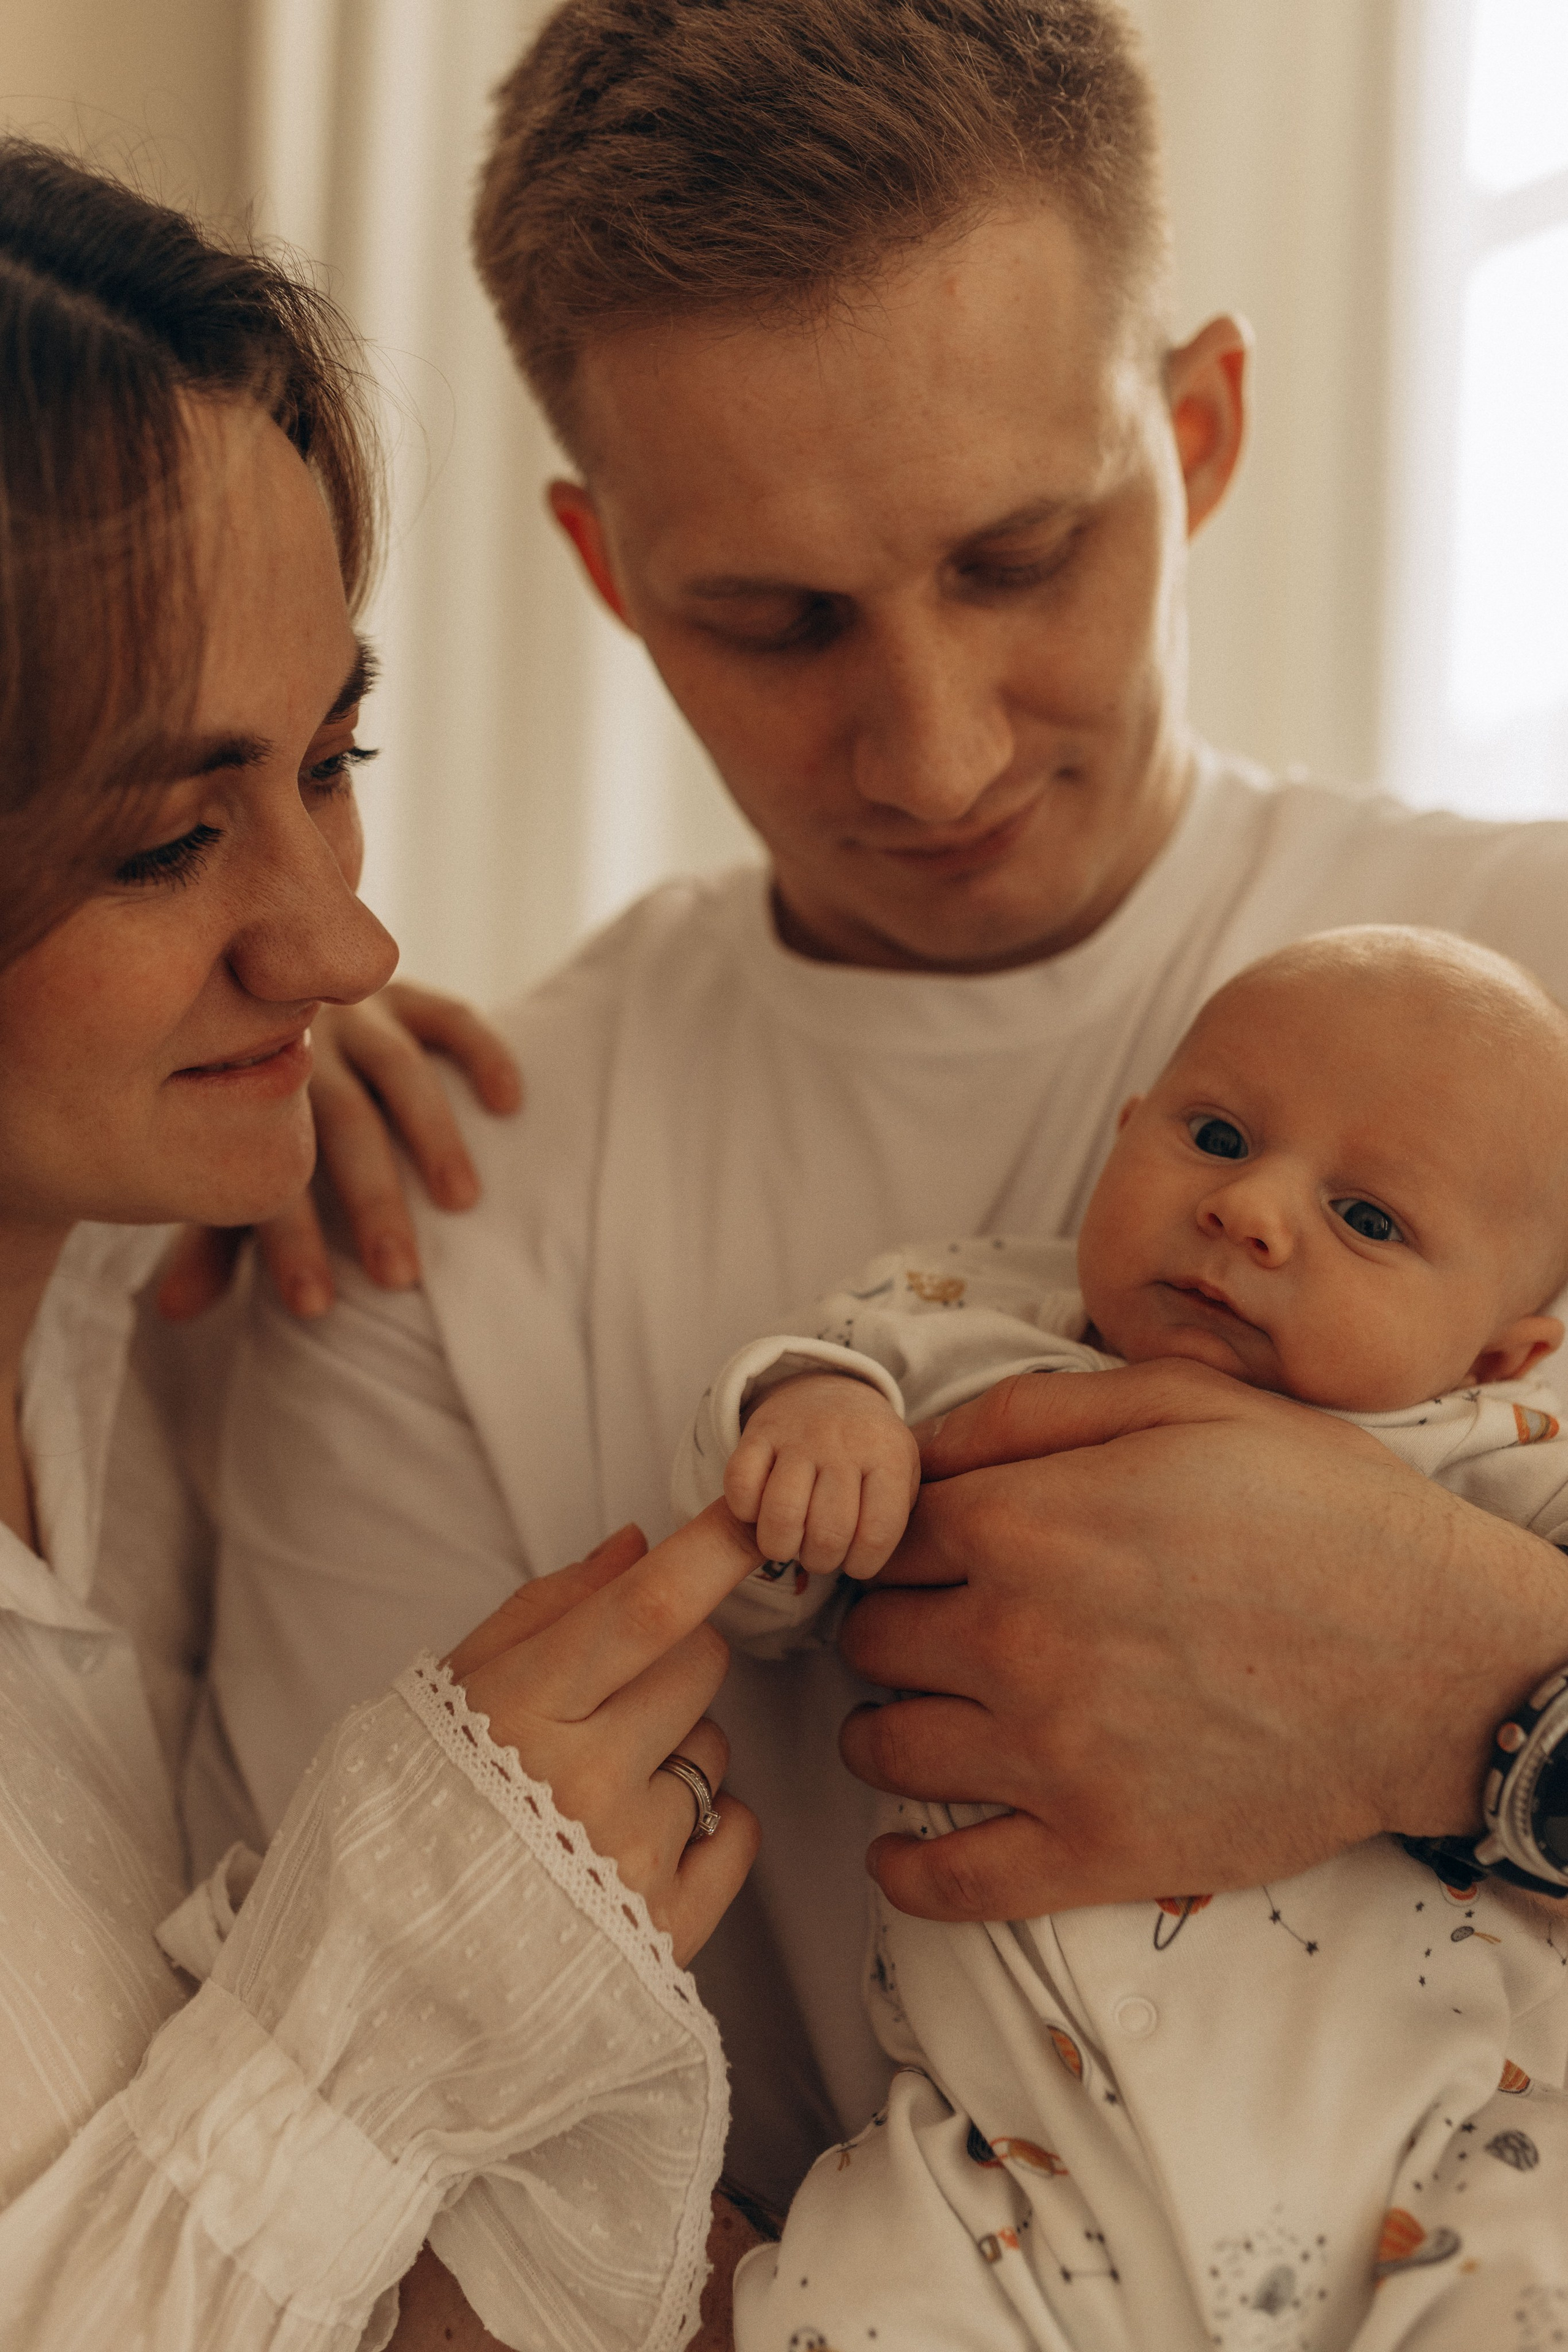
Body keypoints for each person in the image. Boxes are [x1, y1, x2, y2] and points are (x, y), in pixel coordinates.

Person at [208, 0, 1568, 2216]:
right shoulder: (434, 1210)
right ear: (608, 573)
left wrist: (1475, 1702)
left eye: (1018, 560)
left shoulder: (1542, 993)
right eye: (774, 621)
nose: (934, 752)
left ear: (1201, 432)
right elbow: (398, 2168)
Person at [0, 140, 764, 2352]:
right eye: (167, 841)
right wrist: (386, 2004)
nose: (348, 943)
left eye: (334, 757)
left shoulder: (183, 1309)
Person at [676, 926, 1568, 2348]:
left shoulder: (1494, 1446)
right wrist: (814, 1426)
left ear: (1500, 1348)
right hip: (1018, 2164)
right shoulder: (964, 1331)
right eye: (1214, 1137)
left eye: (1366, 1218)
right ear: (1125, 1129)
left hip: (1440, 2130)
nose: (1248, 1210)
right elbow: (755, 1586)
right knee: (847, 2305)